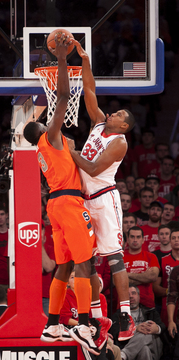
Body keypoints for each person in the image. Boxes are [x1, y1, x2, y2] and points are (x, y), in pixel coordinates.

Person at [23, 35, 99, 355]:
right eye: (46, 122)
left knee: (64, 267)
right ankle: (83, 322)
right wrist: (64, 58)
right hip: (68, 202)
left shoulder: (53, 148)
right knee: (85, 264)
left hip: (56, 204)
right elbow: (65, 96)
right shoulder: (50, 138)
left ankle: (52, 323)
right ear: (42, 129)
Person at [69, 40, 136, 342]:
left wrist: (69, 152)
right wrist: (84, 61)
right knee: (86, 260)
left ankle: (125, 315)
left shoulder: (119, 143)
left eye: (119, 113)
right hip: (85, 200)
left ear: (125, 126)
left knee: (114, 259)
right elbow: (90, 91)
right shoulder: (98, 123)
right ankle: (98, 317)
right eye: (115, 111)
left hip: (104, 200)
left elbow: (93, 170)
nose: (113, 113)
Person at [110, 285, 165, 360]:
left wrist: (157, 329)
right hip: (134, 349)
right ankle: (126, 353)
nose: (131, 296)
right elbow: (115, 333)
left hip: (154, 348)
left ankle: (123, 355)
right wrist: (135, 329)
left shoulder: (151, 312)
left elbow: (163, 327)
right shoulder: (118, 315)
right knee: (144, 349)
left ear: (139, 296)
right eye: (127, 294)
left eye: (133, 293)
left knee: (147, 326)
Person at [123, 226, 160, 308]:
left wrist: (127, 275)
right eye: (132, 237)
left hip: (147, 303)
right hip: (125, 303)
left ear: (143, 240)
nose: (135, 240)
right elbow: (117, 281)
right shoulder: (121, 257)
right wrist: (145, 277)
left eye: (138, 237)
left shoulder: (151, 256)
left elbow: (153, 276)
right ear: (128, 240)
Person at [157, 229, 179, 327]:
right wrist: (171, 292)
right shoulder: (163, 260)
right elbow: (155, 287)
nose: (176, 240)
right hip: (167, 306)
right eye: (173, 238)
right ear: (170, 241)